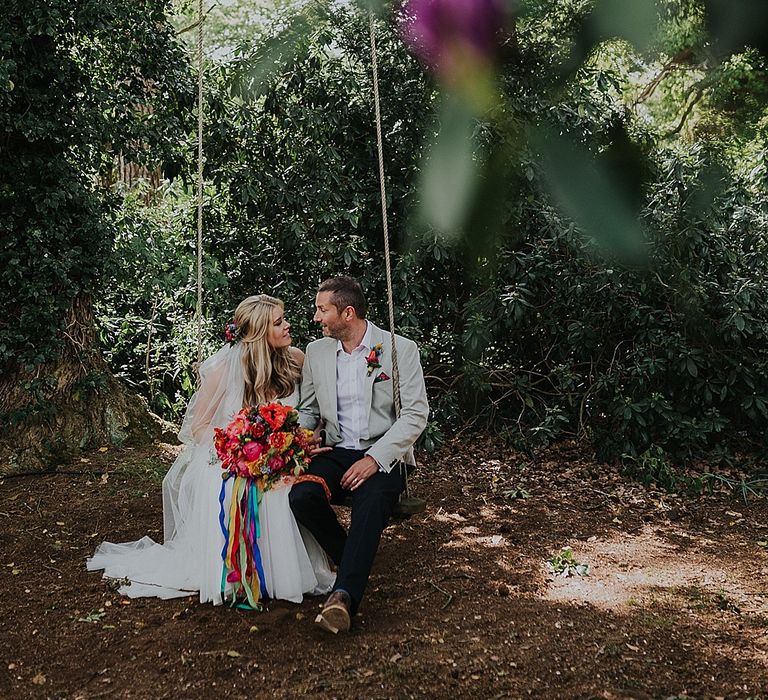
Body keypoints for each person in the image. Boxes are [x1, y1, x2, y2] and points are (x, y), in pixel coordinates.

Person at [87, 294, 334, 605]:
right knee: (241, 487)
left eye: (283, 319)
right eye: (278, 322)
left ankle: (285, 573)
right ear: (258, 332)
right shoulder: (226, 370)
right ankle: (243, 575)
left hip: (281, 454)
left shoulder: (295, 359)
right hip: (235, 455)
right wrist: (241, 447)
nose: (287, 326)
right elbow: (199, 427)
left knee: (284, 488)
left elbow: (313, 410)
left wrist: (292, 443)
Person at [289, 276, 429, 634]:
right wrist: (297, 439)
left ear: (347, 313)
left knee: (371, 503)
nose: (316, 317)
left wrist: (374, 460)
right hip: (336, 451)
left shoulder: (399, 349)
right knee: (301, 495)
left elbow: (415, 414)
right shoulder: (318, 352)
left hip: (383, 454)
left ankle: (343, 597)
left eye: (323, 310)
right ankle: (355, 557)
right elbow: (308, 410)